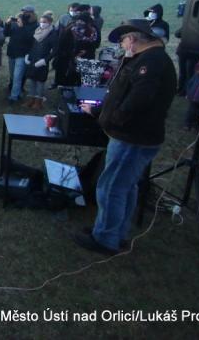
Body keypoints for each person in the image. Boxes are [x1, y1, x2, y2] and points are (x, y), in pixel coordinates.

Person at [75, 19, 177, 255]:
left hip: (132, 138)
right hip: (134, 135)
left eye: (122, 41)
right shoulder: (147, 59)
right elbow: (121, 95)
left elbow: (138, 101)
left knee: (112, 187)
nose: (121, 45)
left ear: (132, 39)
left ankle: (105, 239)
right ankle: (116, 233)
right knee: (125, 186)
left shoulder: (151, 62)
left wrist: (111, 120)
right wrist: (99, 112)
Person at [23, 12, 58, 110]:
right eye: (41, 21)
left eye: (44, 22)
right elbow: (33, 45)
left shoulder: (52, 34)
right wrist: (28, 56)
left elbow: (55, 50)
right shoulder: (37, 31)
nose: (42, 24)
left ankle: (38, 101)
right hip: (33, 58)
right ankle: (31, 99)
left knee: (40, 81)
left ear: (49, 23)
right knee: (32, 79)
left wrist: (45, 60)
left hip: (42, 60)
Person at [5, 6, 37, 103]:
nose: (24, 14)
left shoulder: (34, 25)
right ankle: (18, 92)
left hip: (22, 54)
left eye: (26, 12)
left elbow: (30, 39)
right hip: (12, 52)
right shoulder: (16, 22)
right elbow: (6, 33)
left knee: (17, 76)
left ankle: (14, 97)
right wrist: (7, 24)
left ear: (31, 13)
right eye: (23, 12)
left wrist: (22, 27)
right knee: (12, 75)